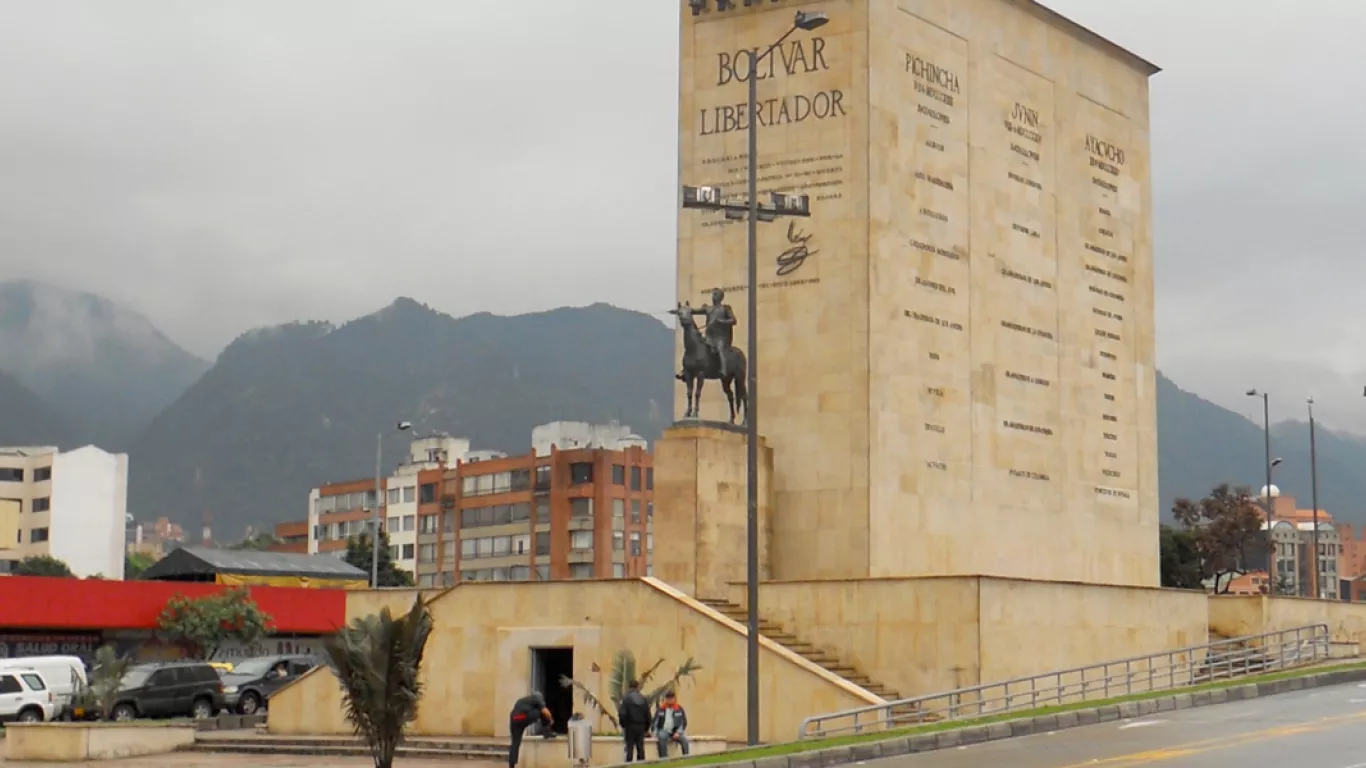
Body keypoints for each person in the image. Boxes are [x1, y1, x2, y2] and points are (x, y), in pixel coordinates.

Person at [690, 288, 737, 378]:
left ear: (721, 297)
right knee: (697, 347)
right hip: (709, 337)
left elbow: (733, 320)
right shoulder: (708, 308)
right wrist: (684, 310)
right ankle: (687, 370)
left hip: (720, 337)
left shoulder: (725, 308)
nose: (713, 296)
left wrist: (721, 321)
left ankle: (724, 369)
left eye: (715, 294)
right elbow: (694, 311)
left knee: (720, 349)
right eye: (713, 294)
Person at [508, 691, 553, 768]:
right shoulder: (537, 698)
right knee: (541, 712)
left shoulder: (522, 700)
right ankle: (546, 731)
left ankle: (511, 765)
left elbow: (514, 712)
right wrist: (550, 720)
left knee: (515, 742)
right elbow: (546, 712)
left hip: (514, 719)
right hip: (522, 717)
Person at [616, 679, 651, 763]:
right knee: (640, 748)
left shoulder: (626, 699)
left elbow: (622, 714)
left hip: (629, 726)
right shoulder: (643, 699)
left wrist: (623, 725)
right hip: (641, 726)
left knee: (629, 748)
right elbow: (648, 715)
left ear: (629, 687)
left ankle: (629, 764)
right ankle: (641, 764)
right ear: (637, 687)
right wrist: (646, 728)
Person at [653, 690, 691, 757]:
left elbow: (683, 722)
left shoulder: (679, 709)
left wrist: (678, 732)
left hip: (675, 731)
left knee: (684, 741)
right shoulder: (661, 709)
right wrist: (655, 732)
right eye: (668, 698)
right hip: (663, 730)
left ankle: (686, 757)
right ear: (666, 699)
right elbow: (655, 722)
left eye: (671, 698)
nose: (670, 700)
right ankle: (664, 759)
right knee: (661, 738)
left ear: (674, 699)